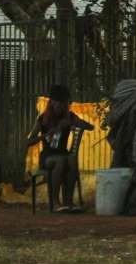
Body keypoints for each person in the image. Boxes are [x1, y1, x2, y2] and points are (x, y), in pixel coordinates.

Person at [26, 84, 95, 212]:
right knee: (61, 161)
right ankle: (54, 202)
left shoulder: (68, 116)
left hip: (63, 154)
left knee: (70, 160)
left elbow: (90, 127)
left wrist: (73, 121)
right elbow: (29, 142)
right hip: (47, 156)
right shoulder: (42, 119)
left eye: (63, 103)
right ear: (51, 102)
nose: (60, 106)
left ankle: (68, 202)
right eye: (57, 103)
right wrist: (45, 136)